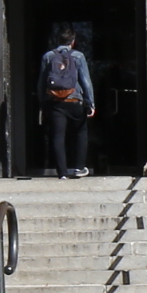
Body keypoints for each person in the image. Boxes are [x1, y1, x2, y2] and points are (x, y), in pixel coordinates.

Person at [38, 24, 96, 179]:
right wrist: (90, 102)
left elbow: (41, 82)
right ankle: (79, 168)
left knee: (57, 136)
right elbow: (86, 81)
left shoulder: (48, 56)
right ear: (73, 41)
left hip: (56, 102)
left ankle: (62, 172)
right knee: (81, 132)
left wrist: (42, 103)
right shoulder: (78, 56)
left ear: (58, 40)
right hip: (75, 100)